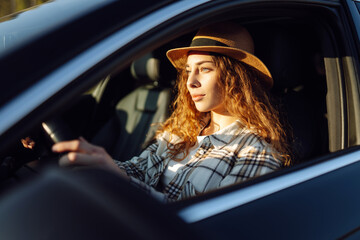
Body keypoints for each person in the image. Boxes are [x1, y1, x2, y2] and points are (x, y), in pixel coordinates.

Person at [52, 22, 291, 202]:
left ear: (235, 78)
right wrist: (93, 161)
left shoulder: (257, 151)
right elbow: (138, 170)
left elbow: (207, 222)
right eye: (188, 71)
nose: (190, 83)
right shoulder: (183, 128)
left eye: (205, 69)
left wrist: (121, 180)